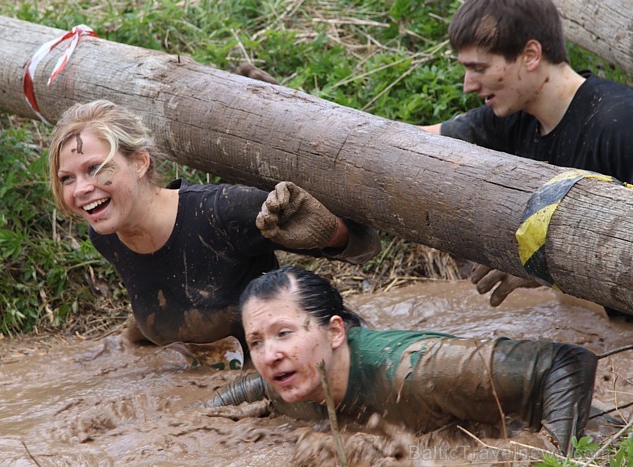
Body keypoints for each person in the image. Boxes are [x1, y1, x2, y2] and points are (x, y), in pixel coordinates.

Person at [47, 100, 381, 348]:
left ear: (139, 163)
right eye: (67, 178)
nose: (80, 190)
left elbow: (364, 247)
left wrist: (328, 232)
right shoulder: (106, 235)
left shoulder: (223, 212)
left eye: (94, 168)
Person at [207, 266, 598, 455]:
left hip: (588, 429)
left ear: (335, 332)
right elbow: (242, 394)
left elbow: (567, 363)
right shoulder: (288, 381)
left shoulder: (420, 369)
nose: (269, 355)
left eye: (284, 333)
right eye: (256, 342)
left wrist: (554, 456)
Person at [420, 0, 633, 315]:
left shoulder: (619, 125)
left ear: (530, 55)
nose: (468, 85)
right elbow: (416, 143)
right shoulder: (513, 114)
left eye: (479, 68)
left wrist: (543, 269)